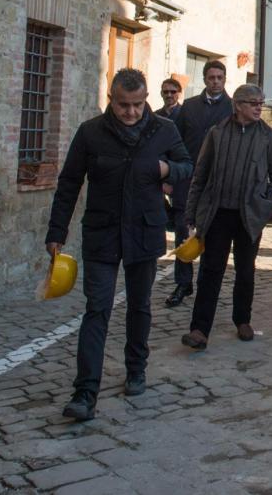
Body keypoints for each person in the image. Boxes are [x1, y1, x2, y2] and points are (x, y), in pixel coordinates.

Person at [46, 68, 193, 421]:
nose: (130, 112)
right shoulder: (91, 133)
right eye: (123, 105)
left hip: (144, 231)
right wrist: (56, 233)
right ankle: (85, 392)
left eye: (137, 105)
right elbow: (69, 183)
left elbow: (187, 165)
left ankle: (136, 368)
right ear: (111, 99)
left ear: (146, 101)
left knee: (139, 305)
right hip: (102, 232)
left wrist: (165, 171)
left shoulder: (164, 130)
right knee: (97, 308)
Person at [179, 84, 272, 349]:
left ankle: (243, 320)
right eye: (253, 103)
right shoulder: (216, 133)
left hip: (249, 217)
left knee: (245, 270)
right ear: (238, 105)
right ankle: (199, 329)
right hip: (218, 215)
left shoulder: (268, 137)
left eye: (261, 102)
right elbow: (200, 174)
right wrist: (192, 212)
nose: (259, 107)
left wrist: (266, 204)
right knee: (210, 272)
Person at [167, 60, 234, 307]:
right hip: (188, 178)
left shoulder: (232, 108)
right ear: (205, 79)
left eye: (219, 77)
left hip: (219, 181)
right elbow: (174, 141)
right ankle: (183, 282)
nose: (215, 81)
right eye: (211, 77)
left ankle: (208, 283)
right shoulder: (190, 107)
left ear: (224, 79)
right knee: (183, 231)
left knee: (213, 234)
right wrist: (170, 177)